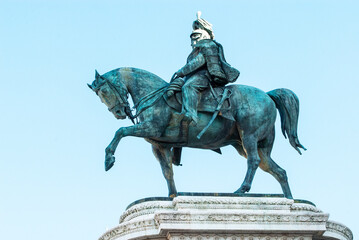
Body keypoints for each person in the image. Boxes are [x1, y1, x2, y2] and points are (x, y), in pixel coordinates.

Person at [169, 12, 240, 124]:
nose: (193, 40)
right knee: (174, 87)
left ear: (204, 35)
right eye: (192, 37)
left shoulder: (208, 45)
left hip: (204, 76)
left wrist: (181, 71)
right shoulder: (195, 50)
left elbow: (198, 62)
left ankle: (190, 114)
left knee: (189, 87)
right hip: (193, 76)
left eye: (196, 36)